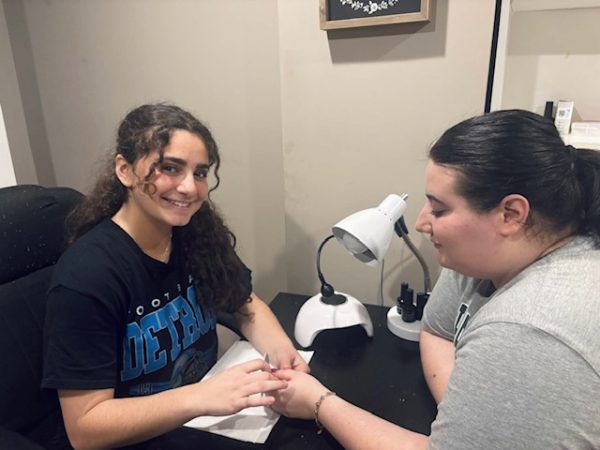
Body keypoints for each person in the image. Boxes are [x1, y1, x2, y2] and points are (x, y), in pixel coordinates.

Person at [271, 109, 600, 449]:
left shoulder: (530, 332)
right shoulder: (484, 258)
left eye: (440, 210)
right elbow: (437, 328)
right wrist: (469, 410)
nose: (421, 223)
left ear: (511, 214)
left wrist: (319, 403)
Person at [42, 103, 309, 450]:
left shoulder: (195, 235)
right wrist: (200, 397)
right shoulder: (86, 276)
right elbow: (85, 427)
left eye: (199, 173)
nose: (189, 188)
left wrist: (283, 353)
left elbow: (243, 304)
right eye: (170, 168)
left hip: (205, 418)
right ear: (124, 170)